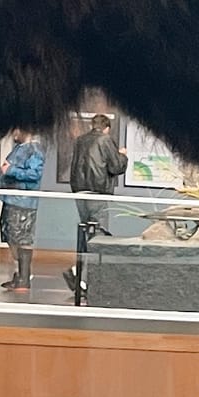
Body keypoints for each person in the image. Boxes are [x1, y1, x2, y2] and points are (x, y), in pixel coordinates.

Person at [67, 112, 123, 299]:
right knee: (99, 237)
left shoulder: (80, 141)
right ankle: (85, 279)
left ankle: (79, 272)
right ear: (106, 128)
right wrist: (123, 156)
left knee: (86, 235)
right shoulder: (105, 140)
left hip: (80, 193)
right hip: (97, 193)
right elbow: (116, 167)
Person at [0, 128, 48, 293]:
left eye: (16, 129)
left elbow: (34, 174)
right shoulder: (21, 148)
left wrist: (10, 171)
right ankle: (19, 274)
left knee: (22, 238)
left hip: (23, 202)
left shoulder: (34, 149)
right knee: (11, 236)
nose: (13, 133)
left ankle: (24, 277)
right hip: (12, 200)